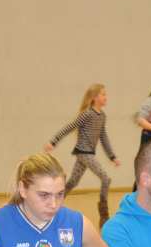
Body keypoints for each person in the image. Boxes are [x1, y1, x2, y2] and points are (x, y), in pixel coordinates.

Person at [46, 83, 120, 225]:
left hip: (87, 153)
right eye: (103, 94)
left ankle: (54, 203)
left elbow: (103, 137)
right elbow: (70, 127)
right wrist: (53, 141)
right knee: (106, 178)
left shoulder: (102, 116)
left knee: (73, 182)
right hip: (84, 153)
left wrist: (112, 156)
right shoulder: (87, 114)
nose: (106, 97)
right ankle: (104, 215)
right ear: (94, 97)